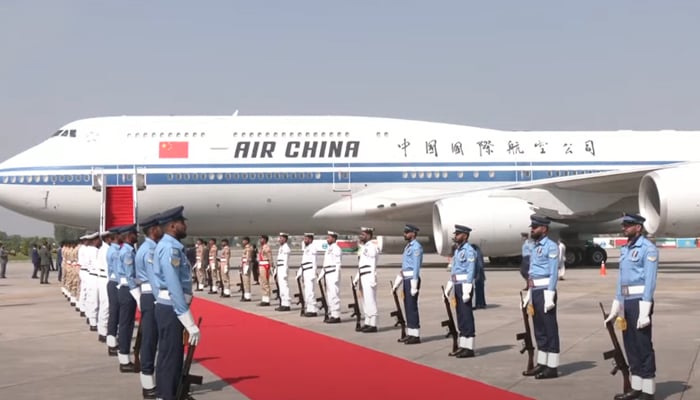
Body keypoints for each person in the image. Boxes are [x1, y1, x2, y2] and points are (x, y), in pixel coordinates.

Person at [604, 213, 658, 400]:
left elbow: (650, 282)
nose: (624, 228)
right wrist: (615, 305)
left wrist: (645, 310)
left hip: (640, 302)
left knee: (643, 345)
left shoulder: (647, 249)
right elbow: (621, 280)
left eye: (628, 225)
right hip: (626, 302)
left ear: (638, 227)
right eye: (624, 225)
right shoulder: (625, 249)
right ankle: (636, 387)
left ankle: (648, 390)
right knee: (630, 345)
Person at [152, 206, 200, 400]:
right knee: (171, 356)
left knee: (169, 355)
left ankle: (166, 394)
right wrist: (189, 322)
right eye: (182, 222)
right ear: (172, 226)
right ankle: (167, 395)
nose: (185, 225)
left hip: (168, 307)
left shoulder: (167, 246)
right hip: (172, 308)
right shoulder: (170, 249)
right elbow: (174, 286)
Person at [521, 215, 560, 379]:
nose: (532, 229)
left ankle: (552, 366)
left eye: (535, 227)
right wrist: (529, 293)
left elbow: (553, 272)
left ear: (544, 229)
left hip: (545, 290)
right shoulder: (534, 246)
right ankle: (542, 363)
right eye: (532, 227)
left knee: (549, 329)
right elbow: (532, 272)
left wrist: (550, 294)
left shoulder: (550, 246)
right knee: (539, 329)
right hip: (535, 290)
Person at [135, 213, 163, 399]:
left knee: (151, 339)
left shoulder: (147, 247)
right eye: (159, 227)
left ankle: (150, 382)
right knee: (150, 340)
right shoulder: (150, 250)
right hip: (152, 297)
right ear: (153, 230)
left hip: (149, 296)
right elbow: (154, 280)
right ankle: (148, 385)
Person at [444, 224, 476, 357]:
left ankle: (469, 348)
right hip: (457, 284)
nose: (455, 236)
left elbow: (471, 269)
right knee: (460, 316)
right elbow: (455, 269)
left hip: (464, 285)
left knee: (466, 315)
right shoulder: (457, 250)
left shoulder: (469, 250)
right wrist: (449, 284)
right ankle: (463, 345)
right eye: (455, 234)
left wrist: (468, 287)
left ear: (465, 235)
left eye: (458, 234)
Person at [392, 224, 423, 345]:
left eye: (407, 232)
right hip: (406, 279)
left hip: (412, 280)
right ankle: (410, 333)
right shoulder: (408, 247)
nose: (404, 234)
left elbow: (415, 267)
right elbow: (404, 267)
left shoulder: (416, 247)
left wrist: (414, 284)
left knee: (412, 307)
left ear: (413, 233)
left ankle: (415, 335)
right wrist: (397, 283)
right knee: (407, 307)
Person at [116, 224, 139, 372]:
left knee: (127, 324)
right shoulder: (128, 252)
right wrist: (137, 294)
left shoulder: (125, 250)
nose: (136, 236)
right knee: (126, 325)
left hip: (124, 288)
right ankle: (124, 360)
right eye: (134, 234)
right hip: (128, 290)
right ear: (128, 236)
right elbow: (130, 276)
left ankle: (124, 357)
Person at [355, 227, 379, 332]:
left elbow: (373, 261)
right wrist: (357, 278)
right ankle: (367, 322)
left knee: (370, 300)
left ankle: (373, 324)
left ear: (369, 235)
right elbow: (361, 264)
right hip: (363, 275)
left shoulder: (372, 246)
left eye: (363, 234)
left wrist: (373, 277)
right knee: (365, 300)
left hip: (369, 275)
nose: (361, 236)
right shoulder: (364, 247)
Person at [106, 228, 122, 356]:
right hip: (116, 283)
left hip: (112, 282)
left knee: (114, 313)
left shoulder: (112, 249)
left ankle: (112, 341)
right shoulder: (116, 252)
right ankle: (112, 344)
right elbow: (117, 271)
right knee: (116, 314)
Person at [320, 231, 342, 323]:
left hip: (333, 273)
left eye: (329, 237)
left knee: (334, 294)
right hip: (327, 273)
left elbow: (338, 263)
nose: (327, 239)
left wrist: (337, 276)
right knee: (329, 295)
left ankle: (336, 315)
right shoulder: (329, 249)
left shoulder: (337, 248)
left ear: (333, 238)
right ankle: (332, 314)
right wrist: (321, 275)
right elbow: (325, 264)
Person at [297, 233, 319, 316]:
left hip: (310, 272)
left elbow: (314, 262)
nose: (304, 240)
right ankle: (309, 309)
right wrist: (300, 273)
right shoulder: (306, 248)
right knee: (306, 292)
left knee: (310, 292)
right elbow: (303, 262)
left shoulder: (313, 248)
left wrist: (313, 273)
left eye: (306, 239)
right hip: (305, 271)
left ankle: (313, 310)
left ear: (310, 239)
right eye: (304, 238)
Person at [274, 233, 292, 312]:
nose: (279, 239)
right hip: (280, 269)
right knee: (281, 287)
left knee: (284, 286)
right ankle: (283, 303)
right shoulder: (281, 248)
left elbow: (285, 261)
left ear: (285, 239)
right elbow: (279, 261)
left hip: (283, 269)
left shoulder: (286, 248)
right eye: (279, 238)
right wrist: (276, 270)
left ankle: (286, 304)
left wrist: (284, 272)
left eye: (281, 238)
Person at [258, 235, 273, 306]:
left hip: (265, 265)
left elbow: (270, 257)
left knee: (265, 282)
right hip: (261, 265)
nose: (260, 240)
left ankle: (267, 300)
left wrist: (271, 266)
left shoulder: (266, 247)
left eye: (262, 239)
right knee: (262, 282)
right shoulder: (262, 247)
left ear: (265, 240)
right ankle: (264, 298)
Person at [473, 244, 487, 309]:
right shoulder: (478, 253)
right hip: (480, 275)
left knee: (478, 290)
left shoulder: (476, 254)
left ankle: (479, 304)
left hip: (478, 275)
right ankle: (482, 303)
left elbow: (480, 265)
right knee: (480, 290)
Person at [240, 237, 253, 302]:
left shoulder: (248, 248)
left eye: (244, 241)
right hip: (244, 264)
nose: (243, 242)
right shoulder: (245, 248)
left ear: (247, 241)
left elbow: (248, 258)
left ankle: (247, 296)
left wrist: (246, 266)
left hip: (246, 264)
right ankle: (246, 295)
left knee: (246, 281)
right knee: (244, 281)